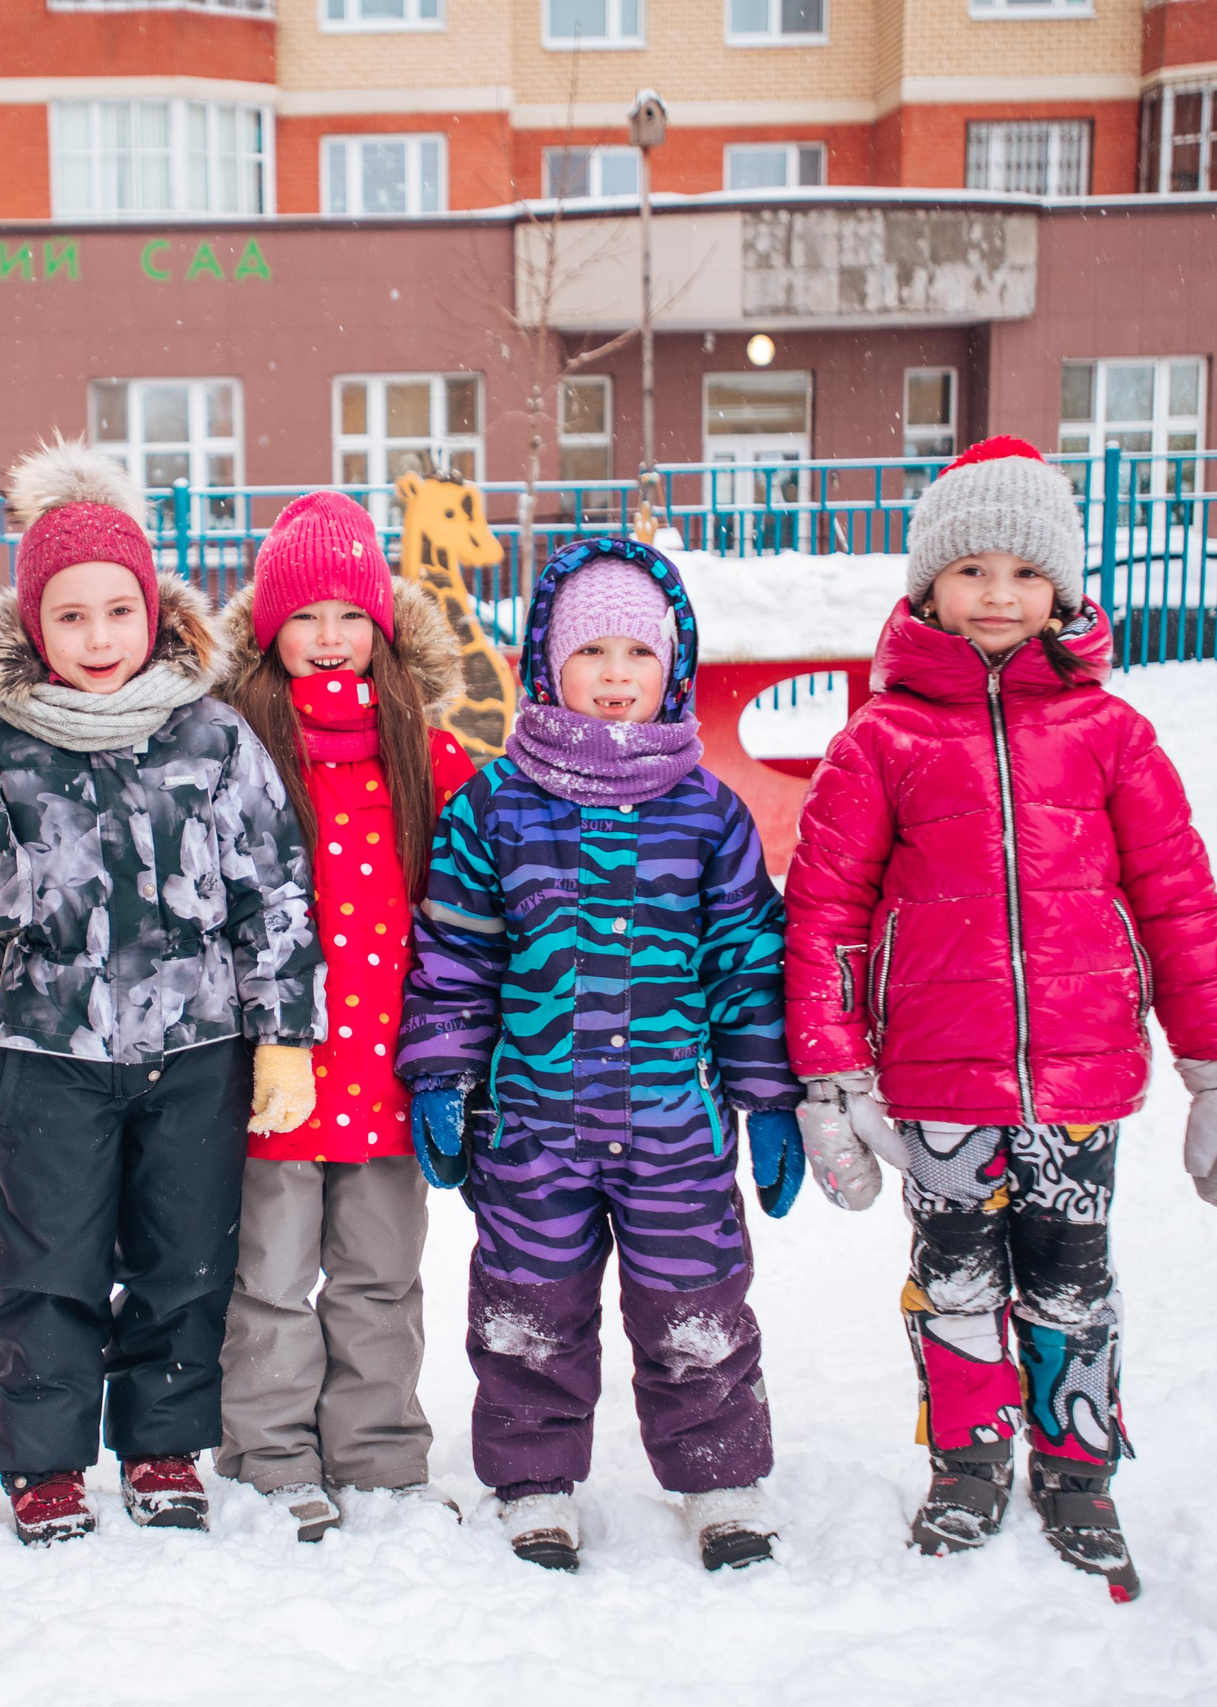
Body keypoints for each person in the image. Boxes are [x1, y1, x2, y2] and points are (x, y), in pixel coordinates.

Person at [786, 435, 1217, 1603]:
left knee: (1072, 1281)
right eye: (972, 571)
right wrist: (833, 1079)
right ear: (927, 587)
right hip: (936, 1087)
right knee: (951, 1280)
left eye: (1024, 572)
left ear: (1062, 589)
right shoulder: (879, 742)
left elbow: (1177, 900)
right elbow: (825, 917)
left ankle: (1077, 1464)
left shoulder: (1110, 737)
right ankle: (967, 1461)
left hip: (1079, 1080)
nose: (998, 595)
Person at [0, 437, 324, 1544]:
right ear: (36, 630)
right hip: (53, 1052)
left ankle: (161, 1446)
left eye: (117, 612)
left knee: (184, 1260)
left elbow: (272, 890)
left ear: (155, 615)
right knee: (46, 1264)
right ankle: (43, 1463)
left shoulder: (213, 737)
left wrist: (282, 1035)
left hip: (198, 1049)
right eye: (71, 618)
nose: (98, 639)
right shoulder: (4, 749)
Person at [398, 536, 802, 1576]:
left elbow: (746, 964)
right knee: (530, 1310)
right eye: (592, 653)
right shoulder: (493, 808)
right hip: (533, 1126)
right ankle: (533, 1484)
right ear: (547, 663)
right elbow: (455, 953)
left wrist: (765, 1098)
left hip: (675, 1126)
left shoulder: (707, 810)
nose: (616, 675)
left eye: (639, 653)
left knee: (694, 1305)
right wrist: (442, 1074)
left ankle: (717, 1471)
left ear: (673, 671)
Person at [206, 492, 481, 1541]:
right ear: (270, 630)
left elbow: (482, 903)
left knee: (378, 1278)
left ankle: (376, 1452)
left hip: (390, 1074)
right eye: (306, 616)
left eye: (350, 616)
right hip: (278, 1075)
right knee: (271, 1281)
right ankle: (271, 1452)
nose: (329, 640)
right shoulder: (232, 750)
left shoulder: (429, 757)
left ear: (382, 627)